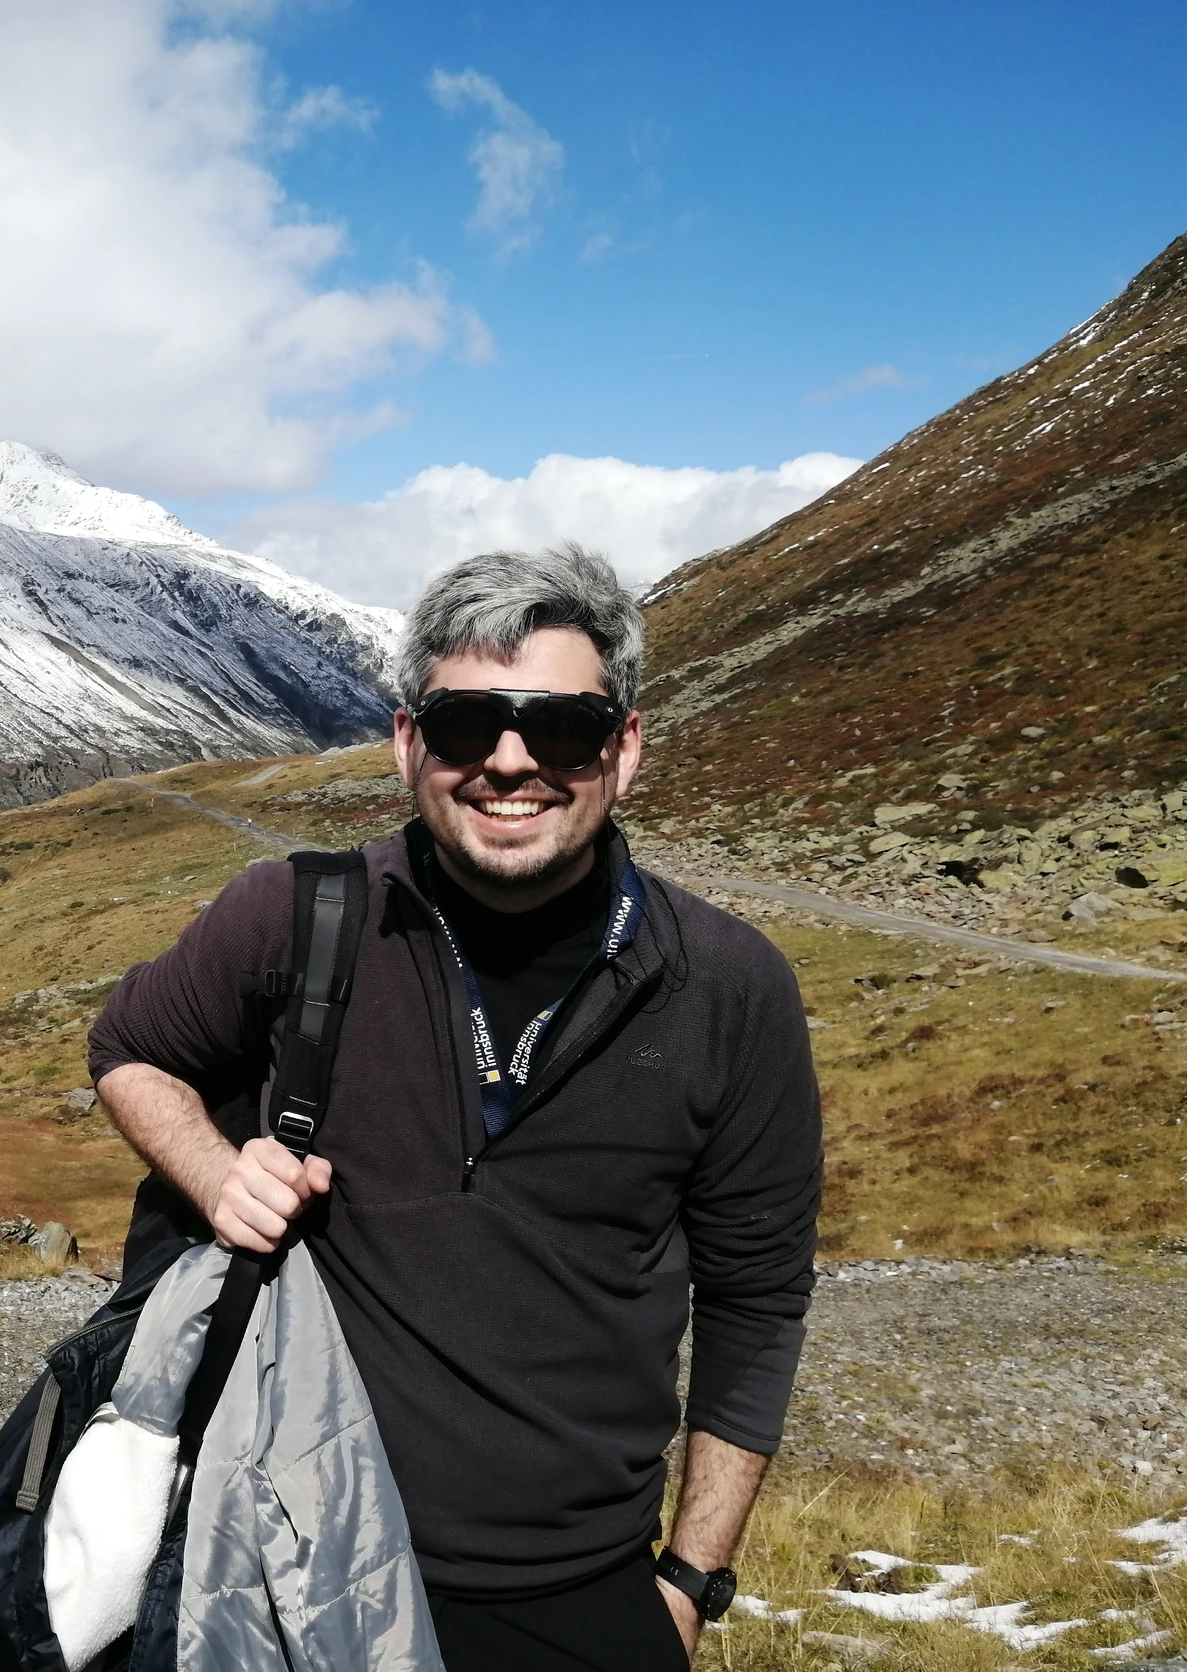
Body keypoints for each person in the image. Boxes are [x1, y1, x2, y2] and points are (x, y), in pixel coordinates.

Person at [87, 544, 822, 1671]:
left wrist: (686, 1580)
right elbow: (132, 1048)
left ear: (623, 749)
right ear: (407, 743)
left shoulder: (730, 986)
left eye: (562, 726)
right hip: (281, 1561)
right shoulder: (296, 916)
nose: (512, 762)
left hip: (579, 1592)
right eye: (468, 723)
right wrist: (213, 1167)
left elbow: (757, 1303)